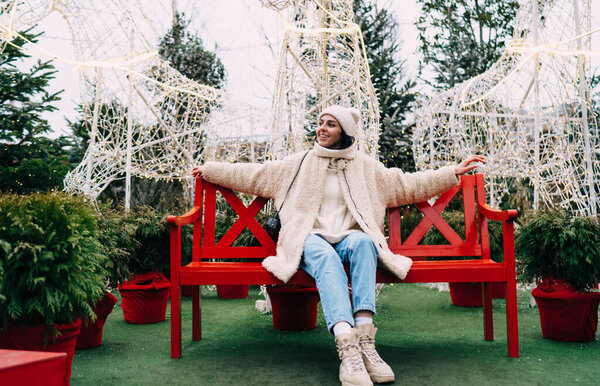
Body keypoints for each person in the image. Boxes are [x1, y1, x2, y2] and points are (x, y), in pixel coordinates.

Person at [192, 105, 484, 386]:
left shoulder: (367, 168)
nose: (322, 128)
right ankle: (348, 350)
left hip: (348, 238)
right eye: (320, 123)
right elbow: (253, 175)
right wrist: (209, 170)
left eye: (330, 124)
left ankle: (367, 342)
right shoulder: (298, 164)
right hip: (309, 238)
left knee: (364, 242)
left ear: (344, 131)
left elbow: (406, 185)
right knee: (325, 257)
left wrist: (451, 173)